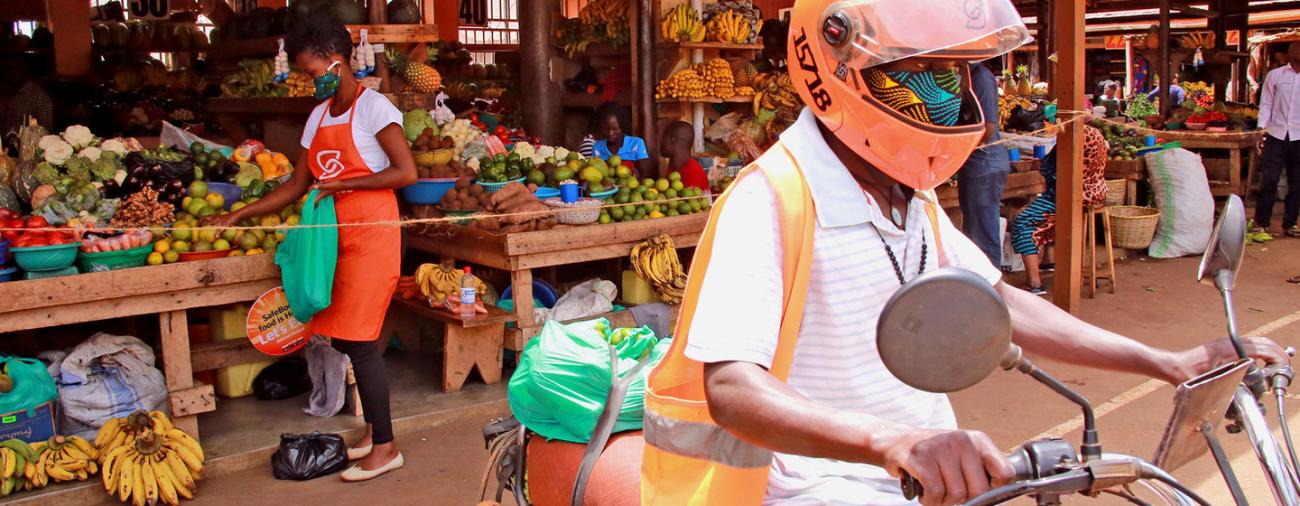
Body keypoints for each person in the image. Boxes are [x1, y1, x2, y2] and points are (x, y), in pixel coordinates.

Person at [640, 2, 1288, 505]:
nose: (949, 93)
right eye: (922, 71)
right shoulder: (771, 200)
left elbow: (1003, 305)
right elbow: (730, 386)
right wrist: (891, 441)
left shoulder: (909, 194)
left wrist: (1165, 361)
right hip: (822, 489)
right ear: (840, 67)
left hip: (933, 481)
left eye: (954, 73)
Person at [204, 14, 416, 482]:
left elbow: (406, 173)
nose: (308, 81)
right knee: (343, 337)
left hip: (373, 234)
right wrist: (238, 214)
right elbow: (298, 184)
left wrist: (347, 182)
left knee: (360, 344)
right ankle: (373, 432)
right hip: (330, 239)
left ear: (337, 64)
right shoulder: (318, 116)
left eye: (311, 72)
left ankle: (387, 447)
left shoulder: (375, 108)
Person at [1009, 124, 1109, 295]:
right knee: (1048, 217)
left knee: (1022, 220)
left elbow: (1053, 171)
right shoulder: (1095, 134)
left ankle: (1034, 283)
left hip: (1069, 196)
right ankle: (1050, 261)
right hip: (1095, 193)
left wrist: (1040, 165)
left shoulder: (1071, 138)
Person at [956, 60, 1011, 266]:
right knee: (974, 230)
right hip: (975, 165)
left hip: (984, 164)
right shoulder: (967, 75)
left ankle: (991, 288)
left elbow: (987, 128)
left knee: (983, 233)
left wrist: (957, 149)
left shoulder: (981, 78)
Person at [1254, 41, 1300, 238]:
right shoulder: (1276, 76)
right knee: (1269, 180)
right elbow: (1266, 104)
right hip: (1276, 134)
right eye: (1295, 50)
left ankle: (1290, 224)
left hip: (1299, 137)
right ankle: (1261, 223)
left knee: (1297, 183)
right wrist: (1260, 128)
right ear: (1289, 54)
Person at [0, 55, 54, 148]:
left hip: (26, 153)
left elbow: (47, 133)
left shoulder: (39, 96)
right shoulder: (5, 93)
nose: (11, 73)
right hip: (4, 152)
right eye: (7, 69)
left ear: (24, 69)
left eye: (15, 68)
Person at [591, 103, 652, 176]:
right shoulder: (597, 147)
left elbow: (645, 175)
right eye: (606, 129)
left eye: (615, 129)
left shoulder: (636, 143)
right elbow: (595, 175)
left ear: (623, 127)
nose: (610, 133)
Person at [658, 121, 709, 190]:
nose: (660, 143)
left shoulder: (692, 172)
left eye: (663, 138)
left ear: (673, 140)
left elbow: (688, 200)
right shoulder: (674, 167)